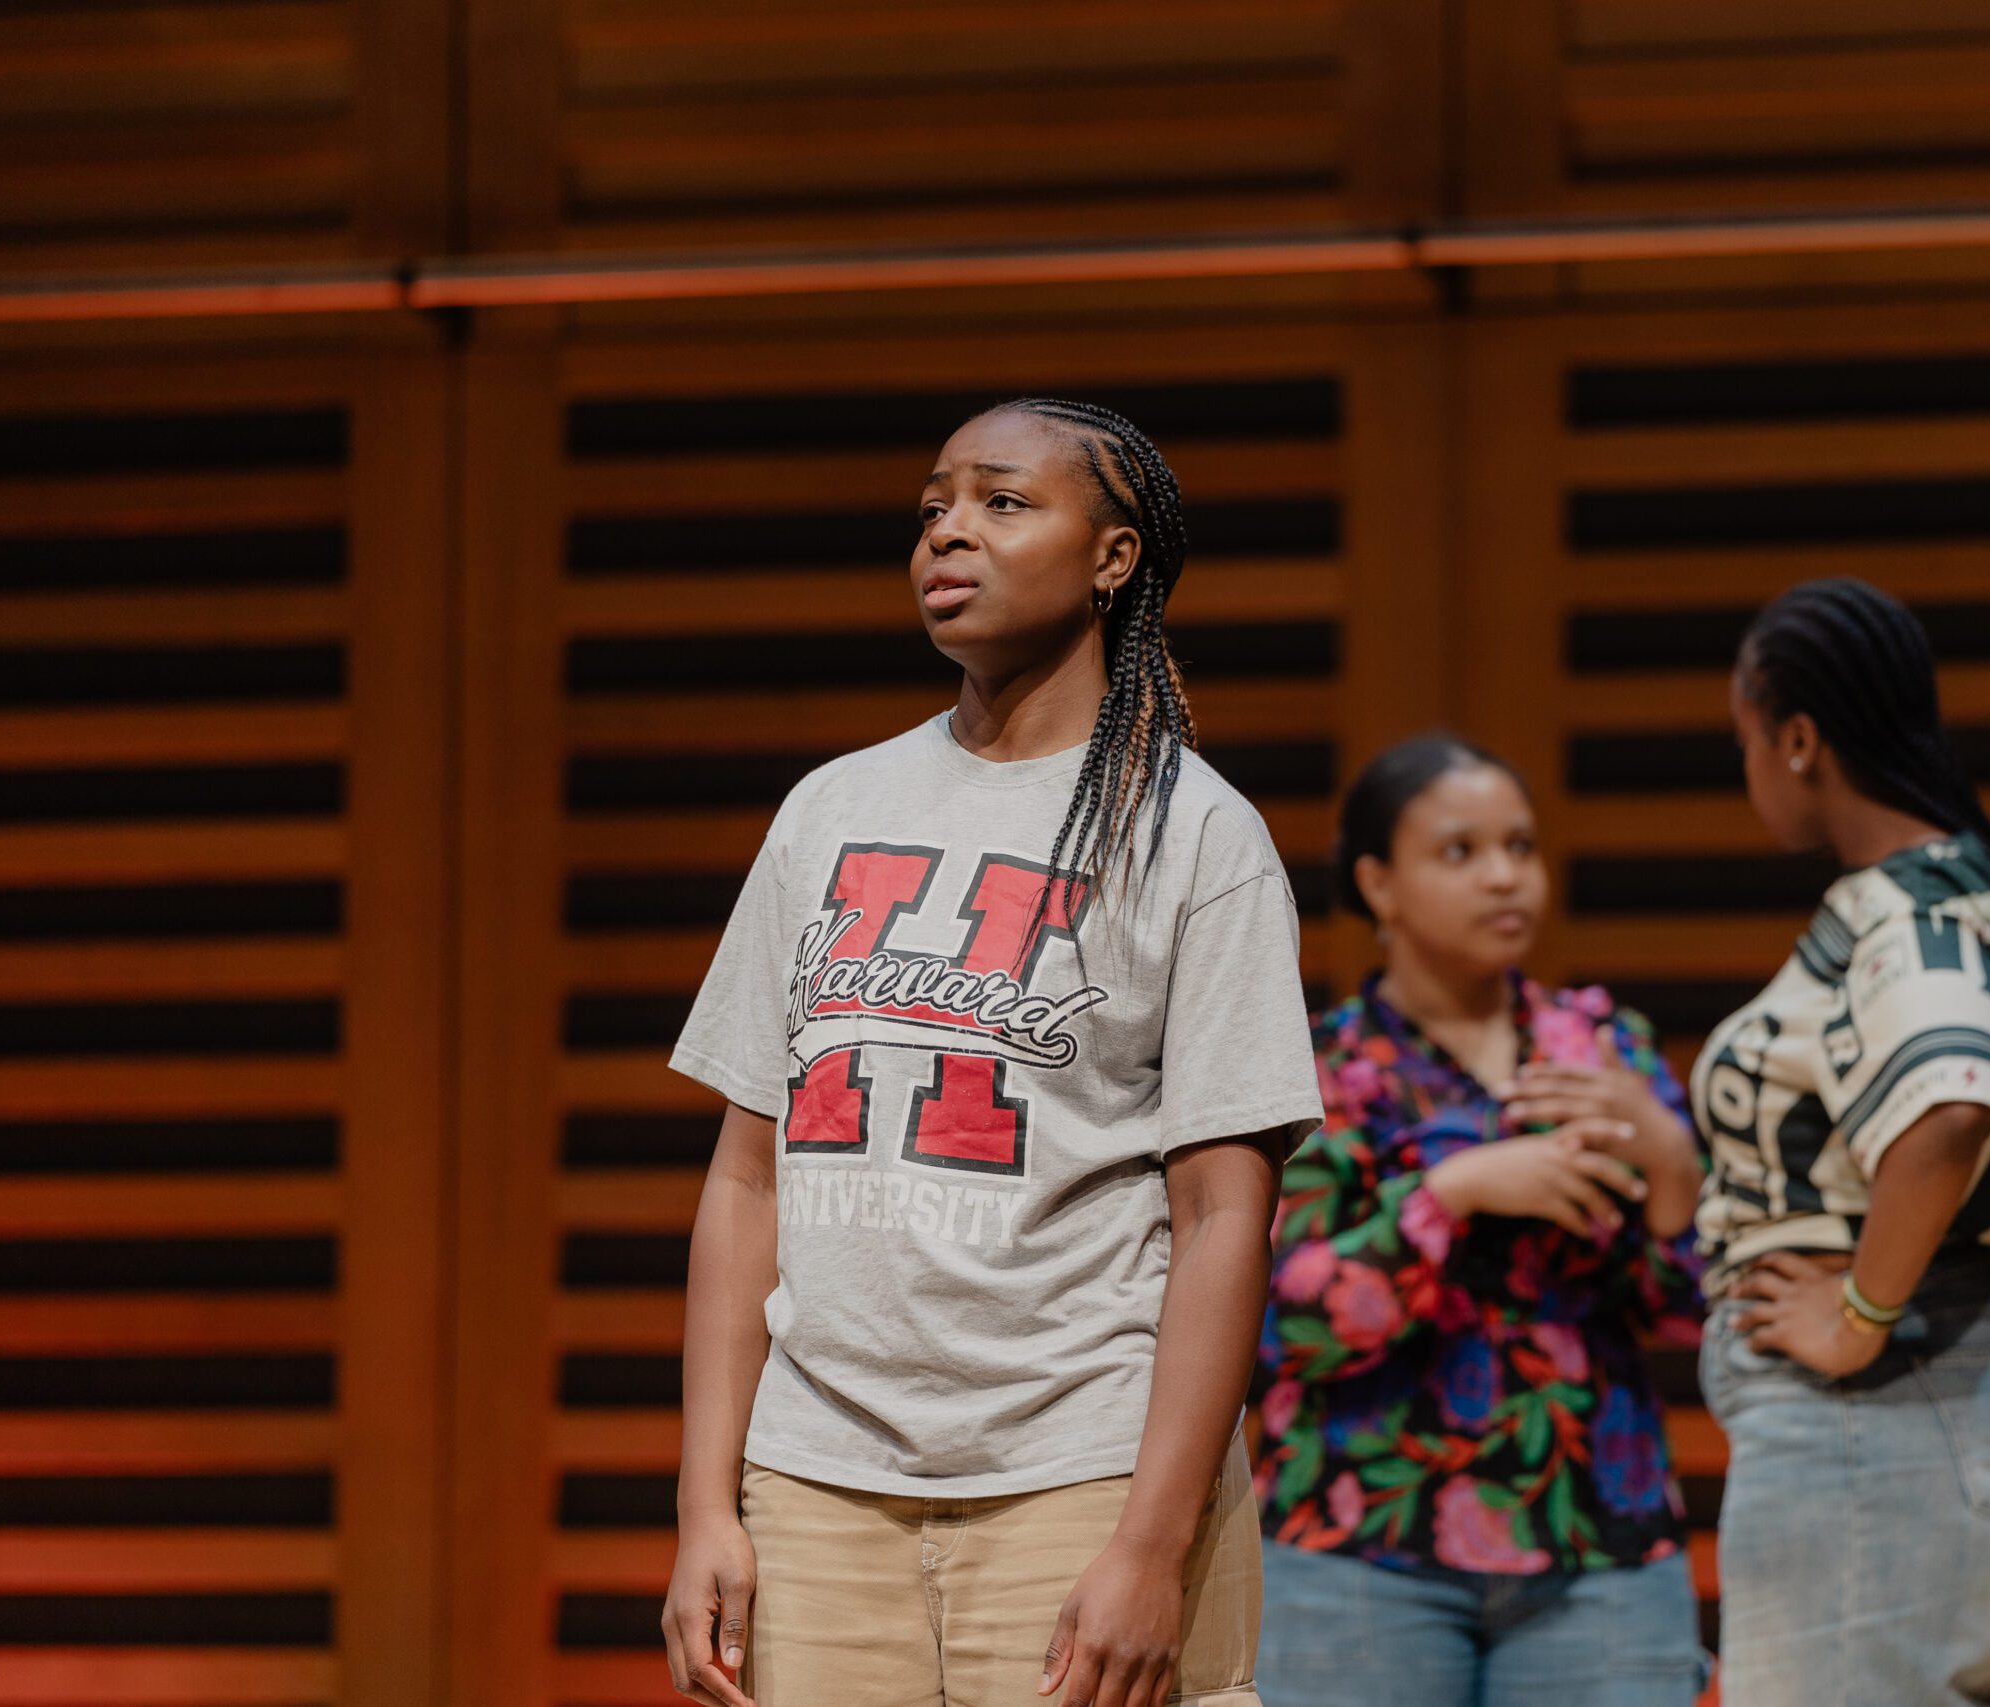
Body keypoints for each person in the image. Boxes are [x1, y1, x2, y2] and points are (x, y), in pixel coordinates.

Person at [658, 398, 1323, 1707]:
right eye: (933, 507)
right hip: (818, 1486)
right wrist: (706, 1504)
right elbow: (748, 1177)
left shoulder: (1197, 833)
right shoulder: (830, 809)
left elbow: (1225, 1210)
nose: (950, 530)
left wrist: (1150, 1538)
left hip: (1082, 1474)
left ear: (1115, 556)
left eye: (1004, 501)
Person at [1694, 578, 1990, 1705]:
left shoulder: (1901, 917)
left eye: (1746, 742)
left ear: (1799, 739)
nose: (1751, 771)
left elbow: (1950, 1107)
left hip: (1896, 1427)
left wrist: (1860, 1314)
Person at [1249, 734, 1710, 1707]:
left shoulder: (1600, 1046)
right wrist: (1452, 1195)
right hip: (1360, 1548)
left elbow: (1692, 1311)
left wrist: (1670, 1159)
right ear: (1378, 883)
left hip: (1598, 1546)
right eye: (1460, 852)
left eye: (1521, 847)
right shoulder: (1318, 1067)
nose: (1505, 878)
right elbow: (1286, 1324)